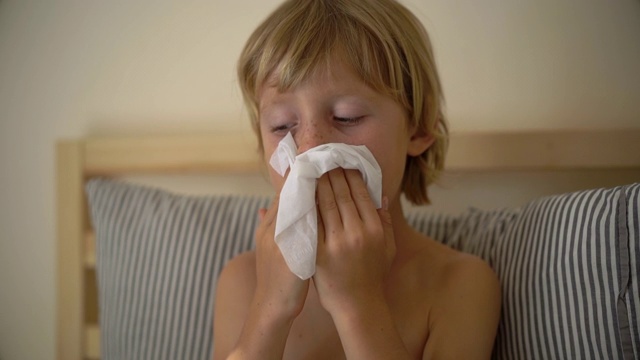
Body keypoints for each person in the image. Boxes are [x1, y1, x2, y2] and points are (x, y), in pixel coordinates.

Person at [213, 0, 501, 358]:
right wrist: (270, 311)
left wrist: (358, 304)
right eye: (282, 126)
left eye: (347, 117)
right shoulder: (243, 282)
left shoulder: (458, 284)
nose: (310, 147)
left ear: (419, 127)